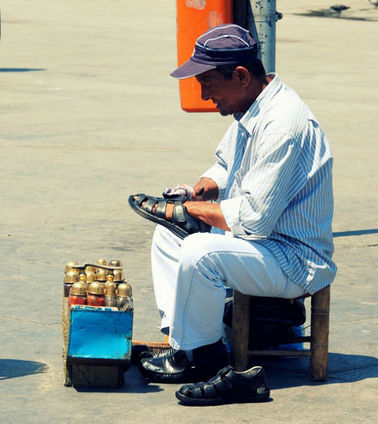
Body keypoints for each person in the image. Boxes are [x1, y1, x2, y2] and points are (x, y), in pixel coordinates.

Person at [130, 24, 336, 406]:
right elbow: (226, 165)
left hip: (294, 258)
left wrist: (188, 210)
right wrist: (200, 189)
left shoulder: (282, 126)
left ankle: (207, 363)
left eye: (208, 83)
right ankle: (185, 345)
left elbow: (255, 218)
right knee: (168, 236)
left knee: (199, 252)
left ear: (240, 76)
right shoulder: (251, 106)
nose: (204, 94)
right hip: (262, 244)